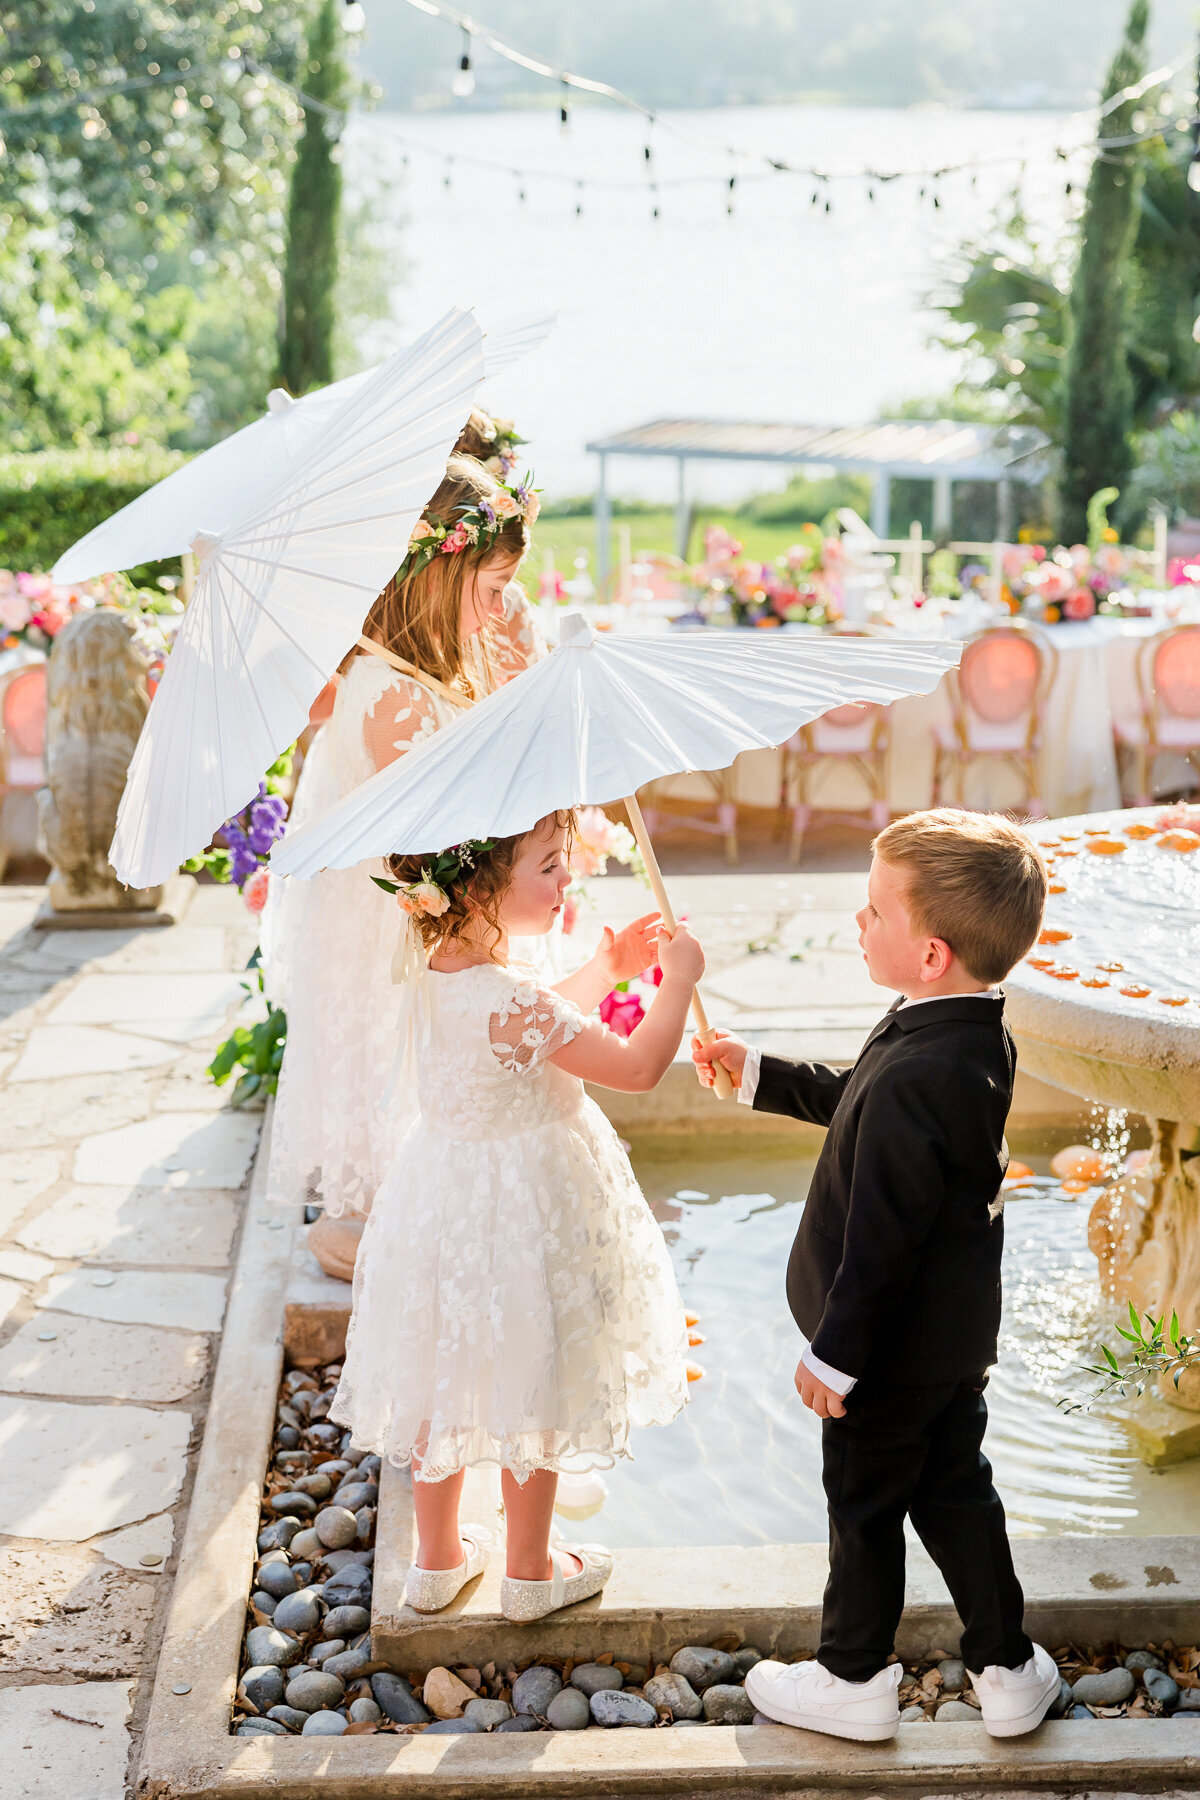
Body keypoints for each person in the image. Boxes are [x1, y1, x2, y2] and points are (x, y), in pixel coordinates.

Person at [693, 809, 1060, 1743]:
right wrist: (758, 1074)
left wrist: (836, 1355)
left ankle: (852, 1675)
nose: (857, 924)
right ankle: (1008, 1667)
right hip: (946, 1343)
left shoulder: (918, 1069)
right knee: (954, 1491)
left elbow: (882, 1237)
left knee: (862, 1505)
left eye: (871, 912)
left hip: (884, 1354)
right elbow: (858, 1098)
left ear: (930, 952)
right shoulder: (967, 1033)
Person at [331, 812, 701, 1621]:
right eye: (549, 866)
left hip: (445, 1203)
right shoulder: (514, 999)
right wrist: (676, 983)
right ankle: (530, 1570)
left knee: (444, 1367)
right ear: (482, 888)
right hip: (526, 1203)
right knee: (535, 1367)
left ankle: (436, 1562)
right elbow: (637, 1068)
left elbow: (526, 1026)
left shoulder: (437, 963)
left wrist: (608, 965)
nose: (568, 880)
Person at [264, 456, 547, 1226]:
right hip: (394, 931)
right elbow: (447, 831)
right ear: (435, 578)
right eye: (489, 591)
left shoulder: (411, 676)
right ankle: (400, 1233)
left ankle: (418, 1223)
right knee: (401, 1079)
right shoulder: (392, 693)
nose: (497, 614)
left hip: (416, 924)